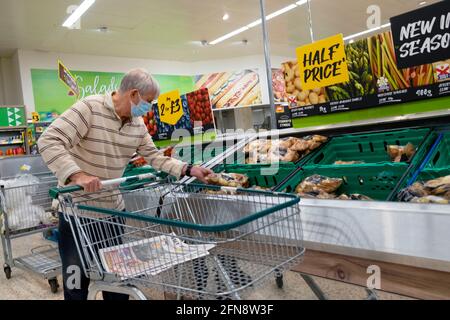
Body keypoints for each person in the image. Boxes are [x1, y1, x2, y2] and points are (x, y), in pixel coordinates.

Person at [38, 68, 212, 300]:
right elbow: (49, 140)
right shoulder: (89, 108)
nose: (149, 107)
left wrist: (188, 169)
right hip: (76, 212)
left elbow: (154, 156)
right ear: (134, 94)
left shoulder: (137, 125)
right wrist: (77, 175)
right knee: (75, 278)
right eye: (149, 101)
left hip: (112, 211)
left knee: (117, 279)